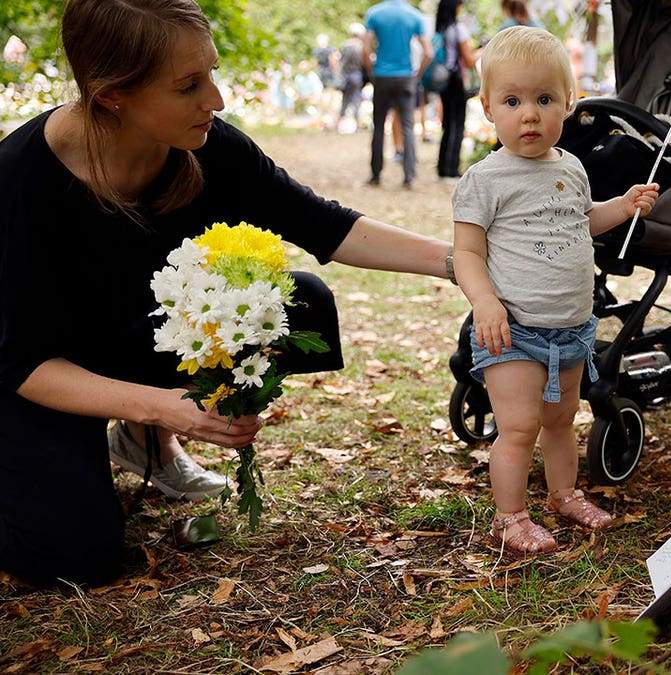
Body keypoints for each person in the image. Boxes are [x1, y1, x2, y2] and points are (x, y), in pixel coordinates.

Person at [0, 0, 454, 589]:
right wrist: (166, 406)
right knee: (72, 561)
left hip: (124, 338)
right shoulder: (21, 180)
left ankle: (143, 446)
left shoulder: (206, 145)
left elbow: (324, 225)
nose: (215, 99)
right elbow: (20, 360)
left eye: (211, 73)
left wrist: (456, 262)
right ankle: (112, 437)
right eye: (189, 85)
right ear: (113, 94)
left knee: (298, 303)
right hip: (39, 376)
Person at [451, 27, 659, 555]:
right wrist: (485, 301)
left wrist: (624, 205)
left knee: (562, 421)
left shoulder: (571, 168)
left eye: (545, 99)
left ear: (568, 103)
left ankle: (564, 494)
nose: (530, 115)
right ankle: (510, 517)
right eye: (513, 101)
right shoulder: (485, 179)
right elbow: (468, 253)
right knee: (519, 428)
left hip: (571, 328)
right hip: (513, 330)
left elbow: (582, 222)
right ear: (488, 108)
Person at [363, 0, 432, 188]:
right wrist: (415, 76)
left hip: (382, 76)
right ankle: (409, 176)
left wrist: (372, 73)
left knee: (378, 126)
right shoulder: (414, 15)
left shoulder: (374, 13)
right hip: (405, 77)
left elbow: (365, 49)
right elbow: (428, 53)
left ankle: (375, 175)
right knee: (408, 127)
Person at [434, 0, 479, 180]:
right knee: (457, 124)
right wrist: (484, 50)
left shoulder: (440, 29)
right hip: (456, 80)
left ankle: (442, 166)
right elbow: (468, 60)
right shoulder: (458, 29)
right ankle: (452, 168)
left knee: (447, 124)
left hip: (443, 80)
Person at [337, 23, 368, 133]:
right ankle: (357, 123)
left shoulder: (345, 45)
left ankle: (339, 122)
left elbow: (341, 61)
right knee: (356, 98)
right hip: (356, 74)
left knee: (345, 99)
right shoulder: (361, 46)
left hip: (345, 75)